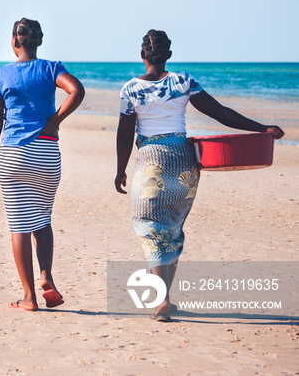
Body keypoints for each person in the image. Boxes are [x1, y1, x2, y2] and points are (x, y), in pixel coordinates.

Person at [115, 29, 285, 321]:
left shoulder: (130, 88)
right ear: (168, 55)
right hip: (184, 159)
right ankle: (164, 297)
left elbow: (125, 131)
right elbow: (220, 112)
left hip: (151, 159)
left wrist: (120, 169)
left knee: (149, 225)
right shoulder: (184, 81)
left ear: (142, 55)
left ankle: (162, 300)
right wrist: (262, 129)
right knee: (171, 226)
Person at [0, 18, 85, 311]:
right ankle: (46, 275)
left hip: (13, 155)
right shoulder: (51, 68)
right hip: (46, 152)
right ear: (38, 42)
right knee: (42, 217)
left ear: (14, 42)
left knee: (19, 226)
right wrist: (55, 120)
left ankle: (29, 297)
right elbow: (76, 90)